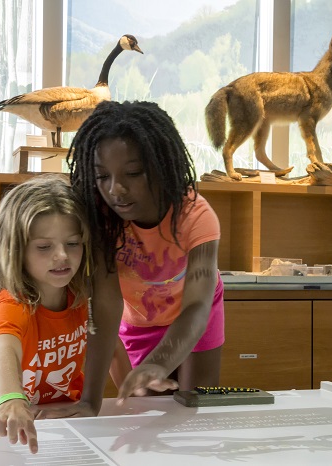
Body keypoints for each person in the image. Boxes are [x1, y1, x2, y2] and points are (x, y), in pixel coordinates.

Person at [68, 100, 224, 403]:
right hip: (138, 321)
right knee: (145, 410)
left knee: (196, 407)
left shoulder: (196, 215)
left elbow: (197, 306)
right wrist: (90, 401)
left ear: (161, 166)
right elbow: (105, 304)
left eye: (133, 173)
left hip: (195, 315)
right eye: (102, 176)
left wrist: (160, 361)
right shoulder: (99, 218)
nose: (116, 189)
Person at [0, 174, 94, 454]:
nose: (62, 255)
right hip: (2, 423)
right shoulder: (10, 305)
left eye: (73, 243)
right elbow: (4, 350)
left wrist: (133, 396)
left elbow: (110, 348)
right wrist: (12, 400)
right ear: (14, 250)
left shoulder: (82, 301)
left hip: (64, 422)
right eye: (44, 246)